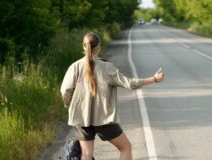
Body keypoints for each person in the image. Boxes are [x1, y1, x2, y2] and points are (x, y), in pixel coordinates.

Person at [60, 32, 164, 160]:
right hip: (103, 118)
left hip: (81, 118)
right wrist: (154, 79)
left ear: (83, 46)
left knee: (86, 154)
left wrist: (70, 105)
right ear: (98, 48)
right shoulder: (107, 67)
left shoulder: (74, 67)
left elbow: (65, 90)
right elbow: (130, 84)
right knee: (126, 148)